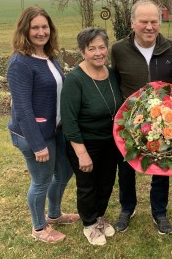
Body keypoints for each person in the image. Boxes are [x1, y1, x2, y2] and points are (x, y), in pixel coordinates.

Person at [110, 0, 172, 235]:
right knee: (126, 168)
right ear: (133, 23)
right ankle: (127, 207)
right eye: (144, 21)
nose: (149, 27)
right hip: (130, 123)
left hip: (163, 122)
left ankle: (159, 212)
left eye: (154, 21)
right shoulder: (119, 50)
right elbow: (113, 82)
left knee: (161, 169)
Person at [7, 6, 79, 243]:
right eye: (35, 27)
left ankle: (55, 214)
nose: (41, 32)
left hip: (55, 129)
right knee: (41, 181)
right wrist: (38, 145)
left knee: (65, 171)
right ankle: (39, 227)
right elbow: (23, 109)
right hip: (33, 134)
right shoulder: (20, 63)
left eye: (44, 27)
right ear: (25, 30)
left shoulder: (49, 56)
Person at [61, 27, 123, 246]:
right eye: (92, 48)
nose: (98, 53)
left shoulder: (112, 73)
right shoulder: (75, 80)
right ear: (82, 51)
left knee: (106, 183)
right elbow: (69, 121)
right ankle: (89, 224)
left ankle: (99, 217)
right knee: (88, 185)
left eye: (102, 47)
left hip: (110, 141)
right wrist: (81, 153)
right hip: (84, 142)